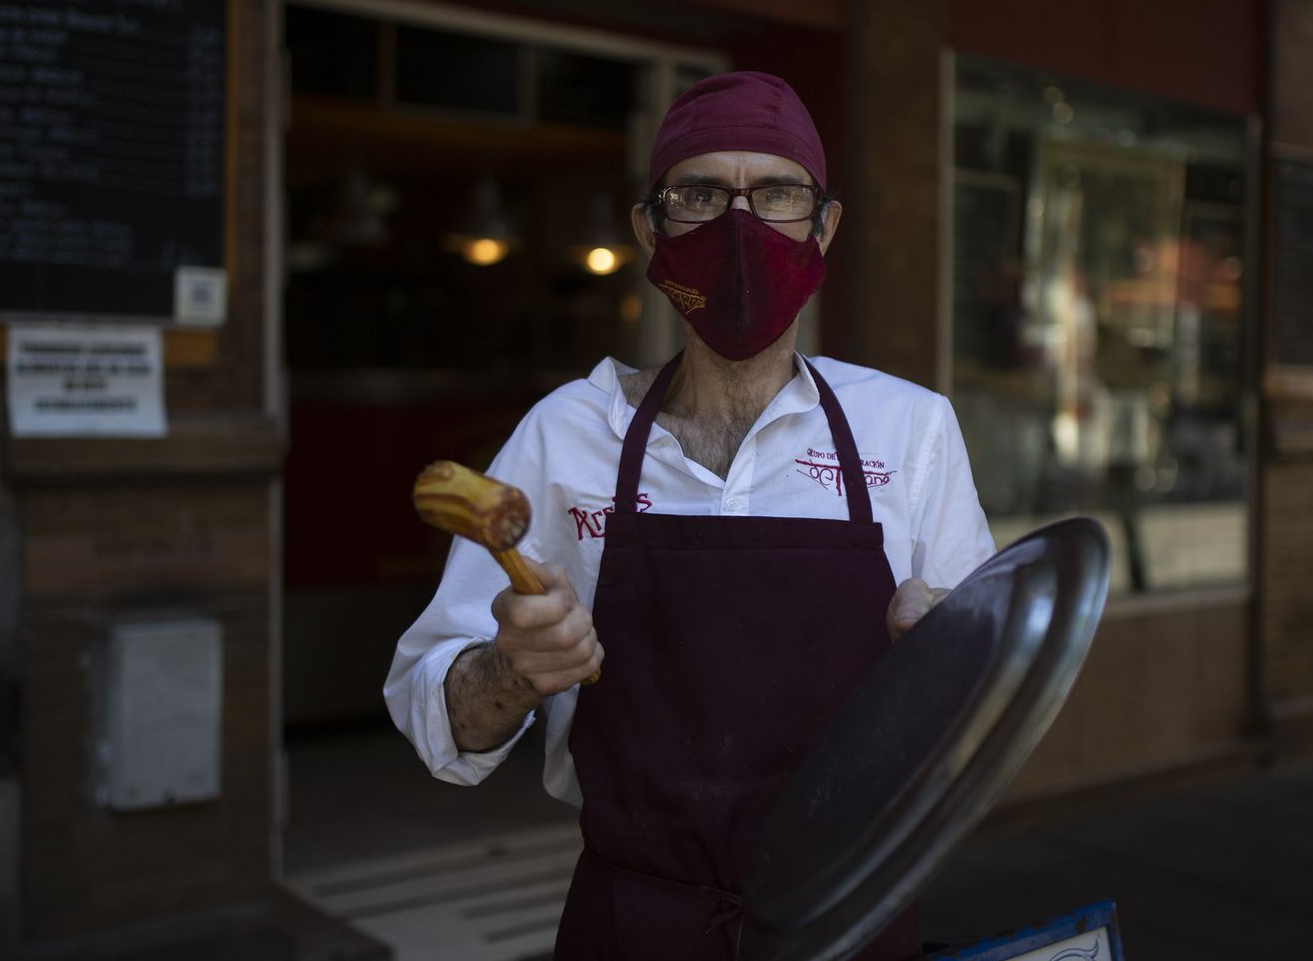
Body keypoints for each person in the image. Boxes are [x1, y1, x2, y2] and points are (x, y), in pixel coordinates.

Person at [385, 71, 994, 960]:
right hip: (636, 928)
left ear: (823, 226)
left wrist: (947, 671)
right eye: (701, 194)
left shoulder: (911, 429)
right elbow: (439, 722)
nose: (739, 227)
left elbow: (982, 738)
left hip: (850, 924)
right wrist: (514, 669)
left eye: (777, 193)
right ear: (650, 230)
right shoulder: (567, 434)